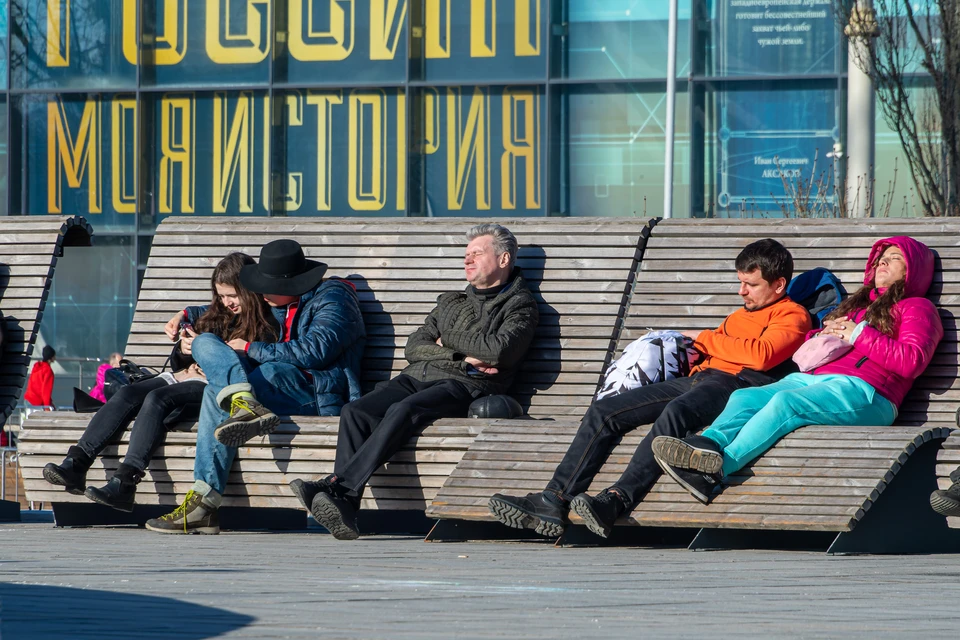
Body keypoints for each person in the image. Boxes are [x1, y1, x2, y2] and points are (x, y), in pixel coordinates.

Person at [488, 239, 811, 539]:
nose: (742, 291)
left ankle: (616, 500)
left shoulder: (792, 315)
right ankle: (553, 499)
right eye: (740, 282)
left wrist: (705, 335)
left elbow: (760, 356)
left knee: (677, 413)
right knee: (606, 411)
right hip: (700, 377)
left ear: (779, 284)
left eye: (751, 284)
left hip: (737, 385)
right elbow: (731, 348)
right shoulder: (739, 316)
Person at [292, 224, 539, 540]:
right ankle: (346, 503)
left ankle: (338, 488)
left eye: (477, 253)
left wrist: (444, 340)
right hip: (418, 376)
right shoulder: (451, 301)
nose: (468, 260)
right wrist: (459, 356)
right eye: (466, 255)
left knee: (402, 409)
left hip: (466, 386)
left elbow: (500, 351)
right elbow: (414, 346)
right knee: (356, 411)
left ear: (503, 259)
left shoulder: (519, 304)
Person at [653, 236, 942, 505]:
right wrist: (820, 336)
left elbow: (912, 361)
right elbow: (812, 351)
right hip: (815, 380)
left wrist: (858, 335)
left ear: (912, 270)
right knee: (746, 397)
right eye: (880, 258)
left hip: (869, 393)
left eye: (894, 258)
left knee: (786, 404)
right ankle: (706, 445)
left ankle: (715, 470)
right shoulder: (857, 306)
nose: (883, 263)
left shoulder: (917, 307)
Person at [145, 239, 366, 534]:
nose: (259, 293)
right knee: (204, 347)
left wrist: (250, 348)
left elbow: (315, 351)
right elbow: (222, 309)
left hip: (314, 391)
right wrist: (186, 314)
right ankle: (205, 498)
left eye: (265, 286)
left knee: (249, 378)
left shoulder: (334, 298)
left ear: (292, 284)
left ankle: (205, 503)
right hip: (271, 386)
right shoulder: (277, 299)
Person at [41, 253, 280, 512]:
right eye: (221, 296)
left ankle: (125, 483)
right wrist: (185, 349)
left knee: (157, 398)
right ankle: (77, 463)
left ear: (248, 290)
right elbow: (183, 353)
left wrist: (216, 354)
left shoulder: (267, 323)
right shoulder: (217, 314)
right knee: (129, 393)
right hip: (185, 376)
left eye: (232, 295)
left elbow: (252, 369)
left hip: (213, 388)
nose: (226, 302)